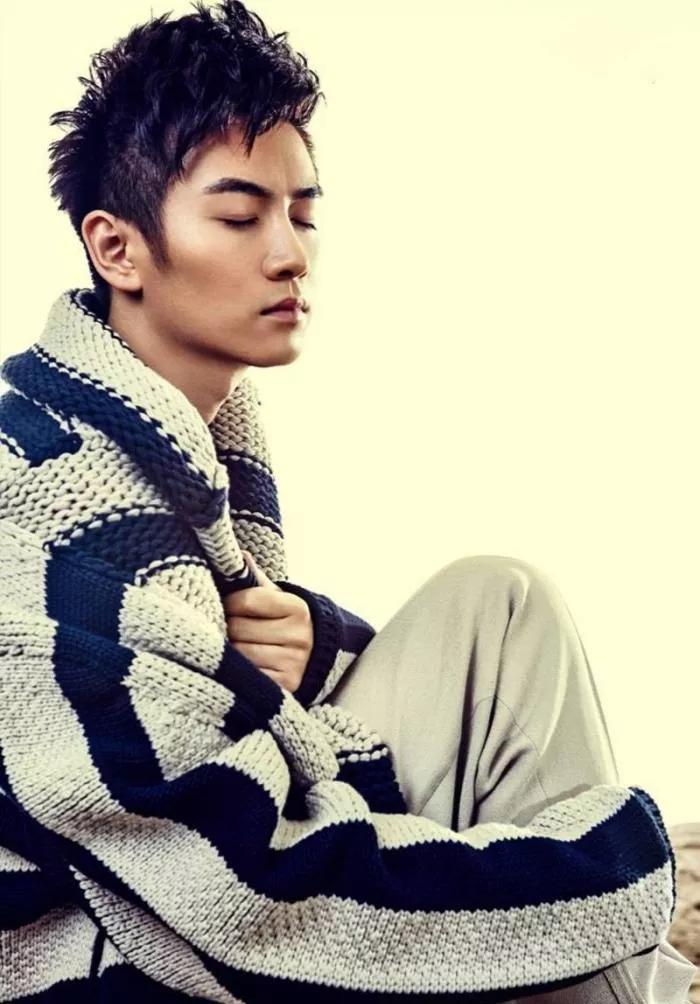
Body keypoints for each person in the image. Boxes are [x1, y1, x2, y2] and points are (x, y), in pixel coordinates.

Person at [0, 2, 695, 1001]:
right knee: (577, 918)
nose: (290, 253)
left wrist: (314, 641)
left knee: (499, 601)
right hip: (110, 962)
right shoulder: (43, 489)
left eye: (304, 213)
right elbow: (245, 896)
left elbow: (218, 683)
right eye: (240, 216)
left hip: (201, 876)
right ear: (117, 250)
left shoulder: (190, 442)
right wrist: (606, 869)